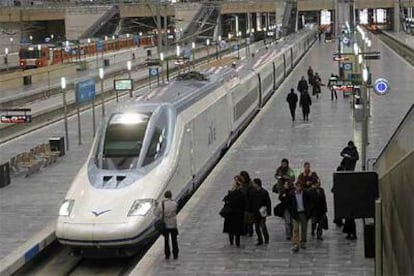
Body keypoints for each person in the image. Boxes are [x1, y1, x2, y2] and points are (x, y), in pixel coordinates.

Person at [340, 141, 359, 240]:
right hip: (346, 166)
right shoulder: (346, 149)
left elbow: (356, 158)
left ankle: (352, 234)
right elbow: (341, 153)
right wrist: (345, 155)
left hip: (351, 167)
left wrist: (350, 157)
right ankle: (349, 234)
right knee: (349, 221)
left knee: (350, 221)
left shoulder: (355, 151)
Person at [287, 181, 311, 252]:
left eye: (300, 186)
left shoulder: (306, 193)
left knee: (304, 228)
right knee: (296, 229)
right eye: (297, 186)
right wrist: (292, 212)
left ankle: (303, 242)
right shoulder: (291, 194)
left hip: (303, 213)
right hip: (295, 213)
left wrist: (308, 212)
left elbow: (309, 202)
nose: (298, 188)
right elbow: (289, 204)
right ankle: (295, 244)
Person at [155, 190, 179, 260]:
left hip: (165, 225)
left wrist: (156, 207)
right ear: (171, 196)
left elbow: (156, 214)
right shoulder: (174, 203)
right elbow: (175, 210)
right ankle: (175, 253)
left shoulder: (161, 204)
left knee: (166, 240)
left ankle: (167, 254)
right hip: (173, 225)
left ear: (165, 196)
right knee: (174, 240)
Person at [223, 177, 245, 247]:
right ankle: (237, 243)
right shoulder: (241, 194)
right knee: (237, 230)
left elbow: (225, 200)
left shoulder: (230, 193)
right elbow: (244, 204)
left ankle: (231, 242)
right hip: (238, 214)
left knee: (230, 229)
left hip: (230, 214)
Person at [251, 178, 271, 245]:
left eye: (253, 183)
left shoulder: (264, 192)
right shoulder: (253, 192)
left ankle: (266, 238)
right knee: (256, 227)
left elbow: (268, 202)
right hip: (255, 212)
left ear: (257, 184)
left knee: (263, 226)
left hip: (262, 212)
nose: (253, 184)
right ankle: (260, 239)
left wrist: (268, 211)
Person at [239, 171, 255, 237]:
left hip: (248, 205)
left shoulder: (249, 185)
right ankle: (245, 230)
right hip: (243, 204)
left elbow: (246, 193)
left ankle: (249, 231)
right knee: (245, 219)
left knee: (248, 219)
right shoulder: (242, 184)